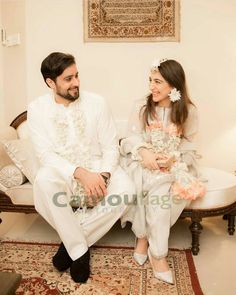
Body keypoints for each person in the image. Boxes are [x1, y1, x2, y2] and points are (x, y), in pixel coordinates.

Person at [27, 52, 135, 283]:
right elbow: (45, 154)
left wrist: (103, 175)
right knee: (43, 181)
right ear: (50, 82)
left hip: (98, 166)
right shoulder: (36, 109)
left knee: (126, 190)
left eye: (77, 76)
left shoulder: (97, 102)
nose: (76, 82)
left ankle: (70, 246)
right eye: (68, 79)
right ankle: (80, 251)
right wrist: (80, 173)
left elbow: (110, 147)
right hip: (63, 171)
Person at [120, 58, 206, 284]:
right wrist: (144, 151)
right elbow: (130, 138)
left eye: (158, 81)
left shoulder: (188, 110)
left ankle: (144, 240)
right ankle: (157, 253)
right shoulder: (142, 106)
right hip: (142, 162)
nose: (152, 86)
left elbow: (189, 144)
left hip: (172, 165)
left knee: (163, 189)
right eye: (150, 80)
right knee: (155, 188)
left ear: (174, 84)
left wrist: (173, 158)